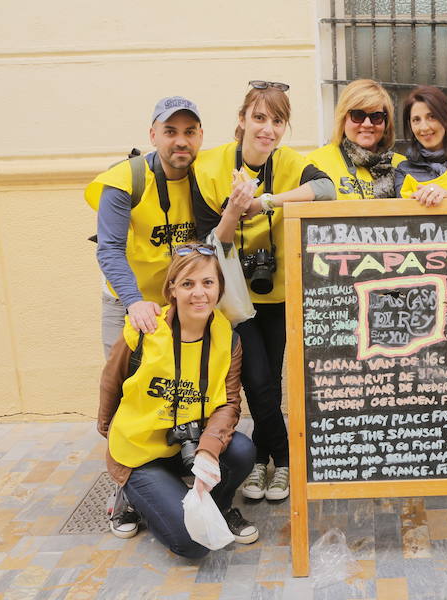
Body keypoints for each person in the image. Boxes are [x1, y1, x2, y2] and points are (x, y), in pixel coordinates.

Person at [193, 81, 335, 502]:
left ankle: (259, 460)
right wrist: (235, 209)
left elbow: (326, 190)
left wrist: (264, 202)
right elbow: (210, 243)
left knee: (266, 381)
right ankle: (287, 459)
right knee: (255, 378)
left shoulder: (289, 162)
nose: (268, 129)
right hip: (235, 296)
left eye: (277, 121)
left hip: (279, 295)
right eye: (259, 118)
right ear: (241, 120)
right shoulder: (211, 167)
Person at [97, 243, 258, 558]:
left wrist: (210, 451)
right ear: (171, 288)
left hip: (187, 442)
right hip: (142, 452)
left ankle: (218, 507)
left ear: (219, 288)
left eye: (207, 283)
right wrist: (109, 434)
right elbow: (110, 382)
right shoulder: (143, 329)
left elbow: (228, 403)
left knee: (240, 450)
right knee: (192, 545)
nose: (199, 293)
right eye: (188, 284)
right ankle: (132, 495)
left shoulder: (228, 338)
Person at [86, 96, 205, 357]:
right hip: (128, 301)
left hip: (183, 302)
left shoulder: (207, 177)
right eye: (170, 132)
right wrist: (135, 302)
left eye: (189, 132)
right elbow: (110, 249)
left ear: (200, 136)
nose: (181, 141)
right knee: (124, 389)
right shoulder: (126, 179)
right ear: (153, 135)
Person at [307, 79, 405, 199]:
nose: (367, 124)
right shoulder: (316, 163)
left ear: (386, 122)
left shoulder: (402, 166)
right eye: (358, 115)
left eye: (376, 116)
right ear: (343, 119)